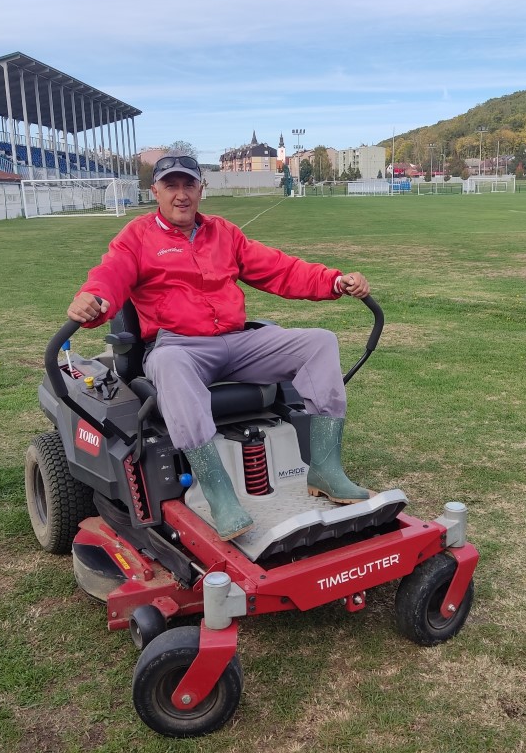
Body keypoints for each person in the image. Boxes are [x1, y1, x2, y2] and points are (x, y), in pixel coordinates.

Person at [67, 154, 372, 541]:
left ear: (200, 189)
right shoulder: (137, 237)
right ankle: (219, 493)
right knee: (171, 364)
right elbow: (110, 275)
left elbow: (279, 269)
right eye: (171, 186)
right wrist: (91, 299)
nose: (181, 195)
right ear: (155, 191)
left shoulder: (223, 233)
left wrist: (333, 281)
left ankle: (326, 468)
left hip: (235, 340)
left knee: (320, 342)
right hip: (180, 346)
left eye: (189, 185)